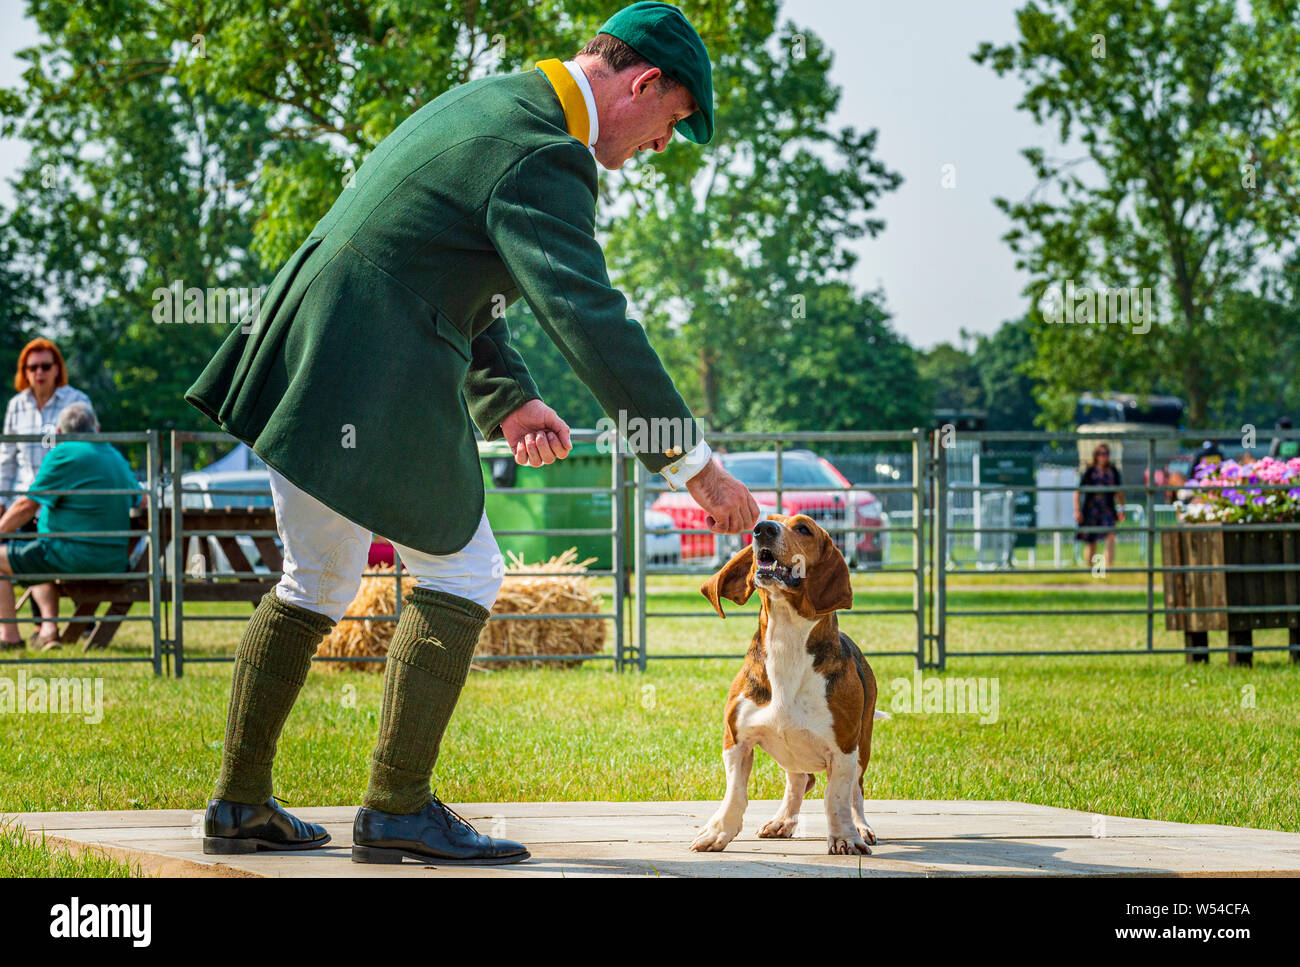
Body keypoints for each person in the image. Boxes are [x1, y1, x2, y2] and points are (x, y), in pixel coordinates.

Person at [185, 2, 759, 864]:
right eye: (671, 122)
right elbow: (591, 319)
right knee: (465, 568)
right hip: (374, 364)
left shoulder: (493, 102)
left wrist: (508, 398)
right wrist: (696, 465)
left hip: (304, 353)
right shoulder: (547, 154)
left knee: (316, 577)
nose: (661, 146)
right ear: (644, 83)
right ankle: (397, 807)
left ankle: (238, 802)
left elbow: (444, 263)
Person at [0, 403, 143, 650]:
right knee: (34, 556)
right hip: (115, 560)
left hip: (70, 556)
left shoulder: (63, 453)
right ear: (96, 428)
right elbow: (142, 500)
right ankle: (49, 630)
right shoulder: (114, 456)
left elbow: (26, 506)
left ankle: (9, 637)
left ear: (58, 431)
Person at [0, 338, 95, 648]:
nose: (39, 372)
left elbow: (88, 449)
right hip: (25, 498)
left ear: (58, 369)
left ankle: (80, 623)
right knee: (25, 554)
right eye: (32, 367)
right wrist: (1, 500)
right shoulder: (17, 405)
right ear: (24, 372)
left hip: (65, 501)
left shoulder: (76, 400)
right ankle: (44, 627)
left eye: (45, 366)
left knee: (53, 557)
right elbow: (7, 458)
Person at [1074, 444, 1124, 570]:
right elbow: (1078, 491)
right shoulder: (1089, 471)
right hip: (1091, 509)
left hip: (1108, 509)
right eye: (1101, 454)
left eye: (1106, 454)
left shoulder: (1113, 471)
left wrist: (1122, 508)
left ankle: (1108, 569)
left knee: (1110, 537)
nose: (1104, 457)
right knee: (1092, 541)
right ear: (1096, 455)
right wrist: (1077, 510)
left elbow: (1119, 492)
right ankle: (1091, 569)